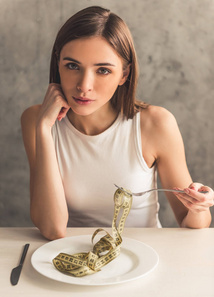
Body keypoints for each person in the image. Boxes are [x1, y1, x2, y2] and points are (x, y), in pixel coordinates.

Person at [21, 6, 214, 240]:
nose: (84, 85)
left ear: (124, 74)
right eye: (72, 66)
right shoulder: (36, 120)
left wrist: (199, 207)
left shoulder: (156, 124)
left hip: (146, 258)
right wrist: (43, 129)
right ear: (58, 64)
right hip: (76, 257)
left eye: (102, 70)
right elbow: (53, 229)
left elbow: (191, 223)